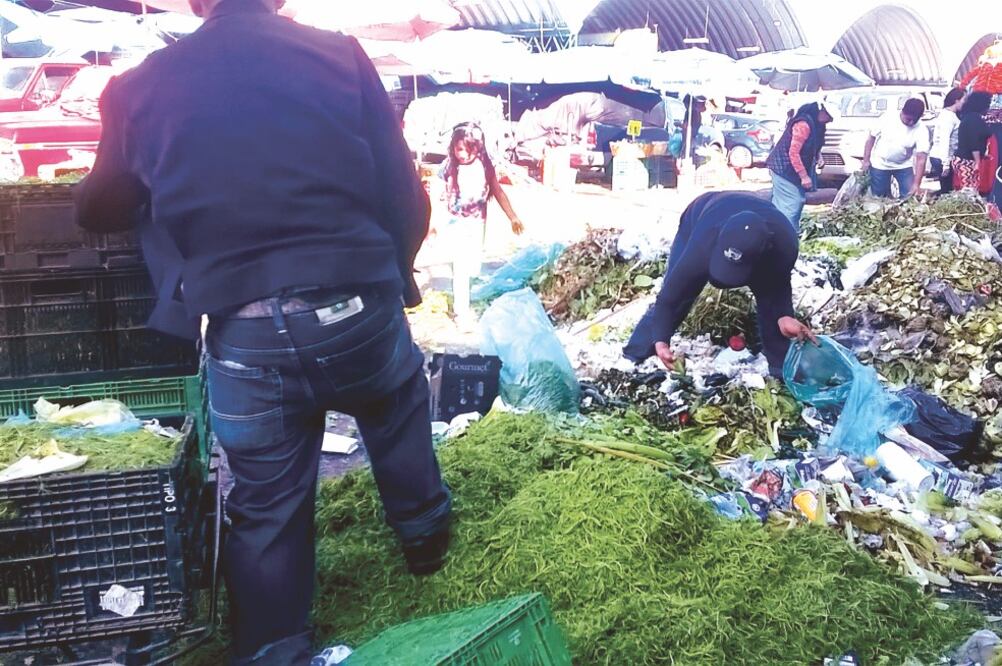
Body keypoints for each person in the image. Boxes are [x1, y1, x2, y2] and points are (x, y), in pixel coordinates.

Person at [73, 1, 452, 664]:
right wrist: (399, 280)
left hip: (245, 332)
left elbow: (96, 206)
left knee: (267, 506)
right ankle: (425, 543)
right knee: (394, 404)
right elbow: (405, 194)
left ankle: (275, 646)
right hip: (356, 302)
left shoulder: (140, 86)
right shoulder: (340, 56)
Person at [623, 192, 816, 379]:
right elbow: (672, 296)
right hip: (702, 212)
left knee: (771, 305)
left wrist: (784, 317)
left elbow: (777, 290)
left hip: (761, 241)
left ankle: (780, 372)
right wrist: (661, 341)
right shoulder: (704, 242)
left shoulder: (784, 246)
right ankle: (635, 353)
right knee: (680, 290)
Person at [439, 124, 523, 324]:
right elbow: (435, 192)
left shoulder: (485, 164)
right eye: (459, 149)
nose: (464, 154)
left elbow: (498, 191)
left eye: (470, 149)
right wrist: (432, 222)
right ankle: (461, 312)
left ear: (478, 147)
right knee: (461, 266)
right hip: (456, 221)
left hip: (478, 222)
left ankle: (463, 296)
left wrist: (513, 216)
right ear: (453, 147)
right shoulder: (450, 166)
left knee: (473, 267)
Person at [766, 102, 835, 230]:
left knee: (782, 204)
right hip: (783, 168)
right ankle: (787, 236)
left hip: (791, 169)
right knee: (793, 203)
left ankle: (777, 232)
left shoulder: (818, 125)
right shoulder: (803, 125)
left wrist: (819, 156)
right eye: (829, 117)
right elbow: (793, 153)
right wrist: (804, 176)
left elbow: (812, 145)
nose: (830, 121)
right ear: (823, 112)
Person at [861, 98, 930, 199]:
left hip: (904, 165)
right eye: (908, 119)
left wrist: (916, 184)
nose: (911, 123)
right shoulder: (887, 118)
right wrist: (866, 160)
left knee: (909, 196)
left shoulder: (922, 129)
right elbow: (871, 139)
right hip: (880, 164)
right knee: (879, 198)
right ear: (902, 112)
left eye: (914, 120)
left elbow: (921, 159)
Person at [954, 91, 994, 192]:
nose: (988, 108)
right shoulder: (974, 119)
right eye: (987, 105)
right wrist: (977, 162)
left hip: (964, 159)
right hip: (967, 161)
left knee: (970, 189)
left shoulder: (969, 117)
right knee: (969, 191)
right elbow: (974, 142)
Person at [930, 88, 966, 194]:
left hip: (942, 157)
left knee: (947, 189)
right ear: (956, 100)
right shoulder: (948, 117)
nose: (965, 103)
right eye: (964, 100)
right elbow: (944, 140)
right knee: (947, 191)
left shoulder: (949, 114)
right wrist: (945, 164)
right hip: (942, 158)